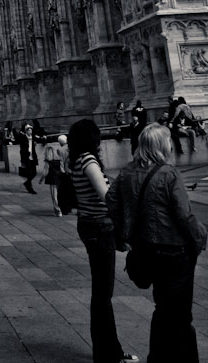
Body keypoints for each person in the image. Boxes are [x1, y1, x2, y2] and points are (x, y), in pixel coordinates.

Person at [110, 123, 207, 363]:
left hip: (146, 250)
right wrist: (199, 239)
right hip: (174, 250)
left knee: (163, 306)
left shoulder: (127, 172)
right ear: (162, 146)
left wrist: (125, 233)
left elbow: (111, 201)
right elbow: (184, 215)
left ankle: (158, 357)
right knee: (181, 313)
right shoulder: (168, 173)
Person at [65, 119, 138, 363]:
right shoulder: (88, 160)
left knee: (101, 293)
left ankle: (105, 351)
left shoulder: (75, 159)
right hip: (99, 227)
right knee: (103, 294)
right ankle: (110, 353)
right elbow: (107, 197)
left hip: (88, 225)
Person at [44, 133, 68, 217]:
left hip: (53, 175)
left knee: (54, 193)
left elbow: (46, 168)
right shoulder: (64, 150)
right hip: (63, 174)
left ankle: (58, 210)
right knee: (63, 192)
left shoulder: (52, 151)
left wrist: (42, 177)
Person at [15, 124, 37, 193]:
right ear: (26, 131)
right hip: (26, 157)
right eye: (29, 130)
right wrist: (22, 160)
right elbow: (18, 140)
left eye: (31, 130)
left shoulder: (33, 137)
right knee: (29, 173)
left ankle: (27, 183)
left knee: (34, 173)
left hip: (32, 157)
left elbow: (39, 138)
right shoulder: (23, 138)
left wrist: (44, 137)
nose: (30, 131)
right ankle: (30, 188)